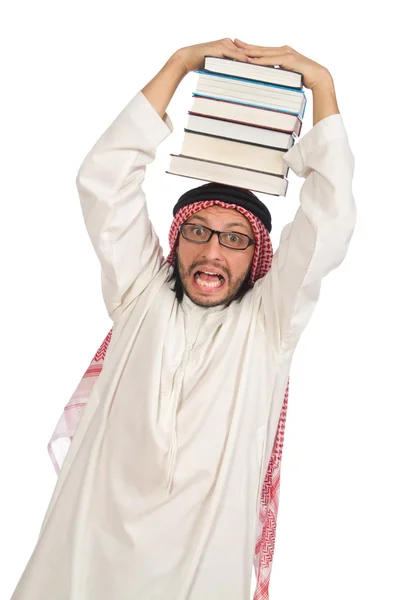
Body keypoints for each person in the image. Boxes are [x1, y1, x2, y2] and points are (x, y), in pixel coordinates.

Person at [11, 39, 356, 600]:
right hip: (86, 557)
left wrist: (322, 84)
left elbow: (328, 224)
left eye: (234, 238)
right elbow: (103, 183)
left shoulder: (267, 327)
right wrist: (178, 65)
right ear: (176, 242)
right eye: (198, 232)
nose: (213, 252)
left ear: (259, 254)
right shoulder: (140, 298)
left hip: (198, 571)